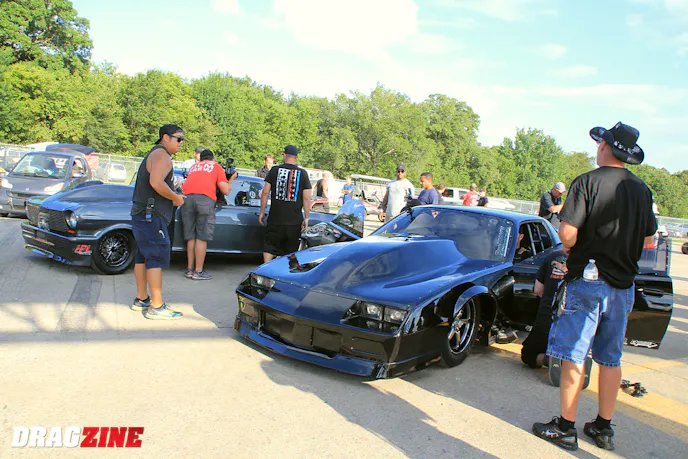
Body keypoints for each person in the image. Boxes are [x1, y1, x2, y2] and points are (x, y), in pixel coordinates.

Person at [532, 122, 657, 451]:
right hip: (623, 286)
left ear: (605, 146)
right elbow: (650, 238)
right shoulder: (642, 190)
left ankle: (565, 427)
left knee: (574, 355)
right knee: (610, 359)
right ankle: (603, 428)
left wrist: (572, 245)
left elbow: (567, 234)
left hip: (588, 281)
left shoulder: (587, 181)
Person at [130, 124, 186, 320]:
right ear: (165, 137)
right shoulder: (162, 155)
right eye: (178, 138)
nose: (181, 143)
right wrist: (175, 198)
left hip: (143, 214)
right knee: (154, 257)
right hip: (151, 216)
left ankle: (141, 299)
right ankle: (156, 306)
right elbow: (156, 182)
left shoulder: (154, 154)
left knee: (142, 256)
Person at [181, 149, 236, 280]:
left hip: (186, 199)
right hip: (204, 200)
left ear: (200, 158)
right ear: (213, 159)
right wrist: (231, 179)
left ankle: (189, 270)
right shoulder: (215, 166)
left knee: (191, 236)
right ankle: (198, 272)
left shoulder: (194, 167)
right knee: (202, 236)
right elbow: (226, 191)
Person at [259, 145, 312, 263]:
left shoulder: (274, 170)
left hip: (275, 218)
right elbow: (307, 198)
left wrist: (262, 212)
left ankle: (266, 269)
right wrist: (307, 218)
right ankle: (286, 271)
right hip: (294, 221)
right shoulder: (303, 173)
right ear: (296, 158)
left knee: (269, 246)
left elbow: (265, 193)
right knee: (291, 250)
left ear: (284, 155)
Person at [521, 249, 568, 368]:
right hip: (573, 323)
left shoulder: (553, 256)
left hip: (548, 318)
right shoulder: (588, 261)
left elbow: (538, 290)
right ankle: (571, 363)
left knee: (528, 355)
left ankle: (552, 361)